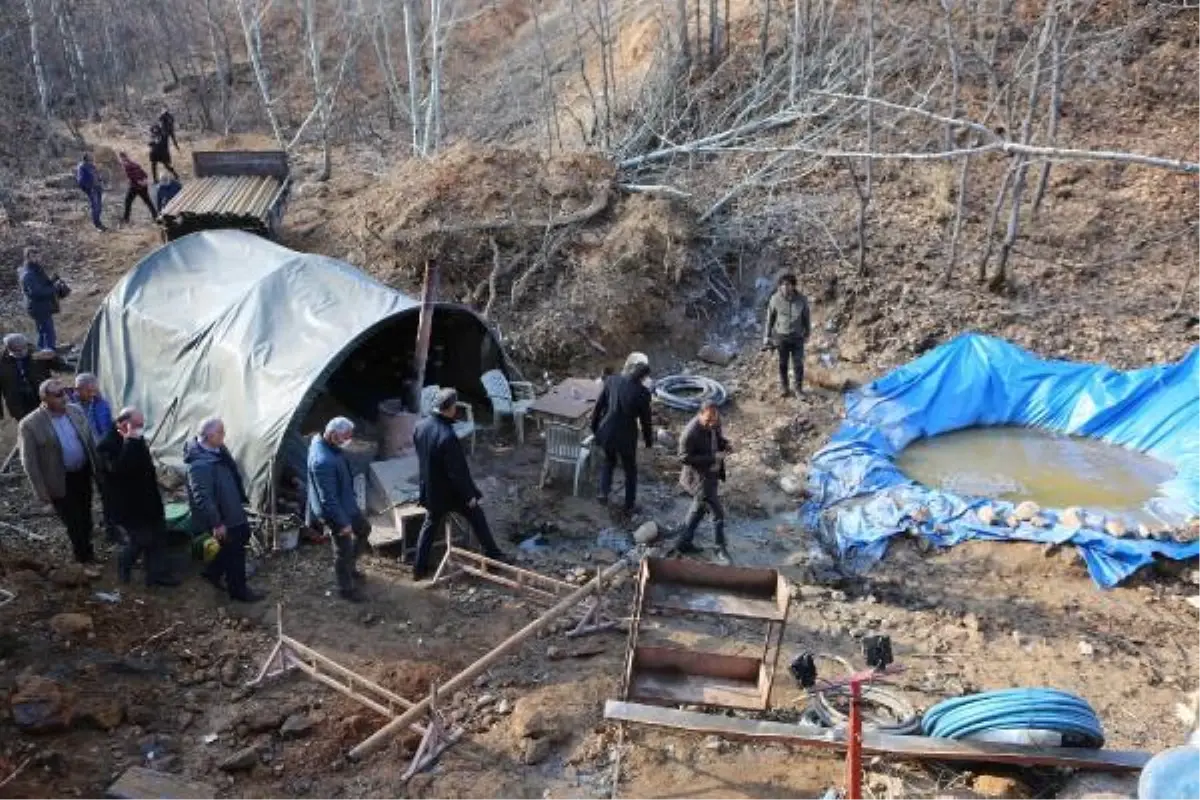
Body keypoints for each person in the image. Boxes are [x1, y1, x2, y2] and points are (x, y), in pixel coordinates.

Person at [412, 388, 508, 581]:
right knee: (477, 516)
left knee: (429, 525)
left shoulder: (420, 426)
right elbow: (457, 473)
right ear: (450, 408)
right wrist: (469, 496)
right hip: (449, 494)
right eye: (455, 406)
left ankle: (418, 569)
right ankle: (494, 557)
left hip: (429, 489)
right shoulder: (447, 436)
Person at [17, 378, 100, 563]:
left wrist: (99, 467)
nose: (64, 397)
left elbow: (89, 439)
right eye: (58, 394)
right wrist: (41, 492)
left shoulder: (76, 411)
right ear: (44, 398)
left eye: (65, 392)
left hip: (82, 473)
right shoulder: (30, 425)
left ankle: (88, 550)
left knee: (86, 514)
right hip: (59, 480)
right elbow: (29, 462)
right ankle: (82, 558)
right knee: (73, 520)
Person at [184, 418, 264, 602]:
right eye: (221, 432)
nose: (224, 435)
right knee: (235, 550)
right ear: (210, 435)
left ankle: (212, 572)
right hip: (223, 516)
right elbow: (202, 497)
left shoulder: (217, 450)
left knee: (235, 540)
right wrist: (217, 523)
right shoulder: (198, 465)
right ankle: (238, 591)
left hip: (231, 506)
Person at [98, 407, 178, 586]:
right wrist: (129, 443)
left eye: (141, 425)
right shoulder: (106, 444)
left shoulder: (136, 437)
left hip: (149, 498)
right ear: (124, 424)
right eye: (137, 425)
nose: (140, 429)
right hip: (130, 505)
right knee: (140, 540)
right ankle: (124, 565)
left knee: (158, 537)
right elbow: (117, 471)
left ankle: (157, 575)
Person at [307, 417, 371, 603]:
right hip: (335, 512)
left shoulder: (326, 444)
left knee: (364, 529)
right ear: (333, 435)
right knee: (343, 549)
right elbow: (328, 499)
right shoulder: (322, 461)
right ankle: (346, 588)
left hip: (346, 503)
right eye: (345, 437)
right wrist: (342, 523)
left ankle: (350, 567)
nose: (348, 441)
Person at [590, 359, 653, 514]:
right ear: (644, 378)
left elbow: (599, 406)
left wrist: (594, 428)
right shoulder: (643, 394)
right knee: (630, 470)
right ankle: (629, 505)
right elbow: (645, 421)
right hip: (626, 436)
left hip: (607, 431)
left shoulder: (612, 380)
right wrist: (648, 441)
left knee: (609, 461)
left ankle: (603, 493)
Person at [675, 400, 732, 565]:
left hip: (712, 474)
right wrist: (713, 458)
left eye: (714, 420)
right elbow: (684, 458)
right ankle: (719, 547)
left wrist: (725, 444)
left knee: (698, 510)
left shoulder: (714, 421)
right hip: (699, 479)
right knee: (717, 514)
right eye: (708, 420)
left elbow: (718, 438)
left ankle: (683, 543)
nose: (711, 424)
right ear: (700, 414)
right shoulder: (690, 433)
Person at [763, 274, 811, 397]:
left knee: (798, 364)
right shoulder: (775, 299)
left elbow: (806, 317)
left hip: (797, 337)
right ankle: (785, 388)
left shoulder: (801, 300)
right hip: (781, 337)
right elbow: (770, 319)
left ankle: (798, 390)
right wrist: (767, 336)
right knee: (783, 364)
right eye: (782, 285)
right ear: (779, 286)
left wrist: (808, 333)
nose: (785, 287)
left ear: (793, 286)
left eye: (788, 285)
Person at [0, 334, 52, 423]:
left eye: (23, 349)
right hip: (18, 403)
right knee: (29, 428)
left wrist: (52, 356)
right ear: (8, 349)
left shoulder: (37, 353)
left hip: (40, 396)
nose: (21, 353)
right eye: (17, 351)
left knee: (49, 424)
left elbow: (59, 365)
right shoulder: (2, 362)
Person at [18, 247, 60, 352]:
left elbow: (41, 285)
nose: (37, 258)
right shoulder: (28, 273)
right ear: (27, 258)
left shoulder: (36, 269)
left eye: (38, 255)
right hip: (38, 307)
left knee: (43, 332)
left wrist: (52, 280)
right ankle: (49, 354)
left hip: (41, 306)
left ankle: (43, 352)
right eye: (33, 256)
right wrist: (54, 289)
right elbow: (36, 292)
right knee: (48, 332)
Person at [70, 373, 114, 441]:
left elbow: (109, 428)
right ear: (77, 390)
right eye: (89, 391)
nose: (92, 394)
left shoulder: (103, 404)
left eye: (95, 391)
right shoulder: (69, 407)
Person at [118, 152, 157, 223]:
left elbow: (132, 176)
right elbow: (144, 174)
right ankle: (155, 216)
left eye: (120, 159)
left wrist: (140, 182)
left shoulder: (127, 166)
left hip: (135, 187)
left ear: (122, 158)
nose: (120, 161)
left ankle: (126, 219)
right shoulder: (134, 164)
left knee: (128, 202)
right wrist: (144, 181)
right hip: (143, 186)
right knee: (148, 202)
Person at [75, 153, 105, 231]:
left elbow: (97, 175)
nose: (92, 159)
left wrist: (100, 180)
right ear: (86, 159)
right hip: (91, 189)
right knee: (95, 206)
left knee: (99, 206)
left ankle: (99, 223)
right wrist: (88, 187)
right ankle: (97, 225)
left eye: (92, 158)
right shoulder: (82, 167)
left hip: (98, 187)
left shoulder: (92, 166)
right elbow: (80, 180)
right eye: (90, 158)